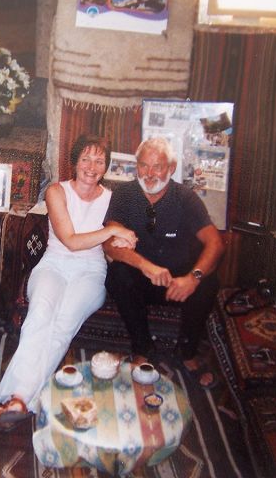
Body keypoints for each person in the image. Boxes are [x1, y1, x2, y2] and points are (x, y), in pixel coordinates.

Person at [0, 134, 137, 429]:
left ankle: (18, 398)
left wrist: (123, 237)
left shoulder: (112, 200)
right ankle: (21, 399)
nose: (92, 167)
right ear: (74, 161)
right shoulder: (56, 191)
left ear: (106, 166)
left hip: (91, 272)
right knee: (39, 317)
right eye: (86, 159)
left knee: (63, 324)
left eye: (99, 161)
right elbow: (70, 240)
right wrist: (110, 231)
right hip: (53, 265)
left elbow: (125, 240)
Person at [103, 137, 225, 389]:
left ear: (171, 168)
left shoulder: (186, 197)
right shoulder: (124, 194)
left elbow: (215, 243)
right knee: (117, 274)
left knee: (208, 281)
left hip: (178, 283)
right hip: (143, 280)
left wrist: (192, 278)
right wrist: (146, 266)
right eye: (143, 165)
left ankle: (187, 353)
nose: (149, 174)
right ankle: (143, 348)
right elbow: (110, 243)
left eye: (157, 167)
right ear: (136, 166)